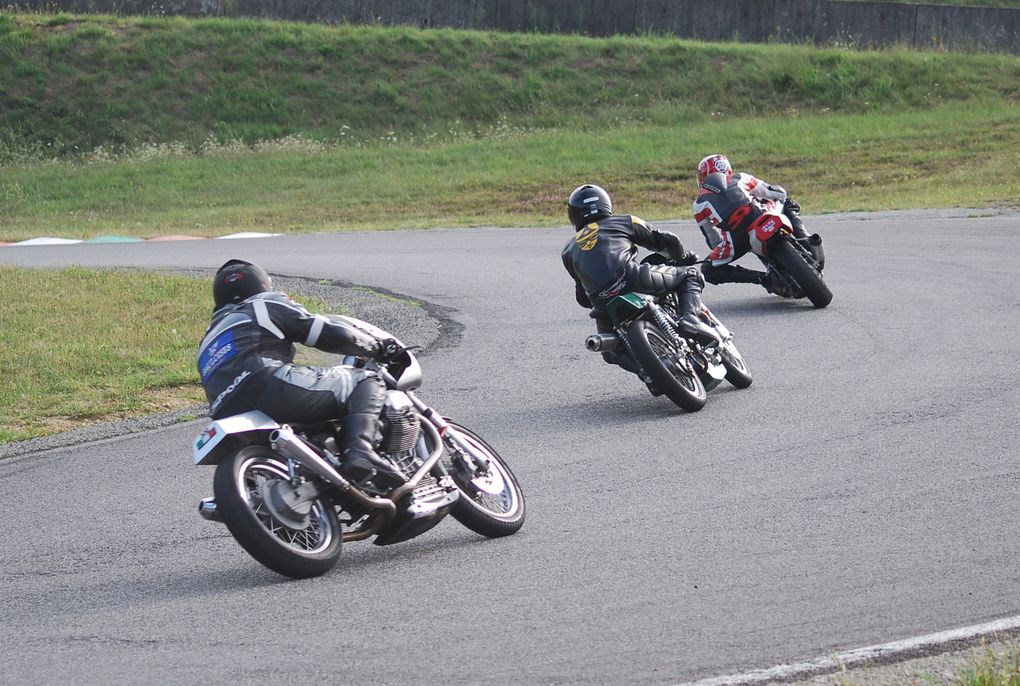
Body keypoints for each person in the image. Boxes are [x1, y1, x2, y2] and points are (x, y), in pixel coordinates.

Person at [197, 259, 406, 491]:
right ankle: (361, 451)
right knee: (364, 380)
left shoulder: (207, 340)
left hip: (227, 411)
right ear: (262, 286)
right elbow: (326, 333)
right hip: (270, 384)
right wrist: (375, 347)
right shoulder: (262, 305)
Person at [561, 184, 720, 391]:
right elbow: (665, 239)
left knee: (610, 351)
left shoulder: (568, 250)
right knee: (690, 275)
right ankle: (689, 319)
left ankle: (645, 372)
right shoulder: (624, 220)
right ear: (605, 204)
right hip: (634, 278)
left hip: (602, 304)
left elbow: (582, 297)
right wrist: (680, 258)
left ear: (573, 214)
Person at [691, 154, 809, 296]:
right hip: (762, 215)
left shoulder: (698, 205)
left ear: (703, 177)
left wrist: (724, 245)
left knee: (708, 269)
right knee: (787, 202)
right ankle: (808, 242)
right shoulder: (740, 177)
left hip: (737, 237)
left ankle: (765, 279)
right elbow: (775, 192)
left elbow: (713, 240)